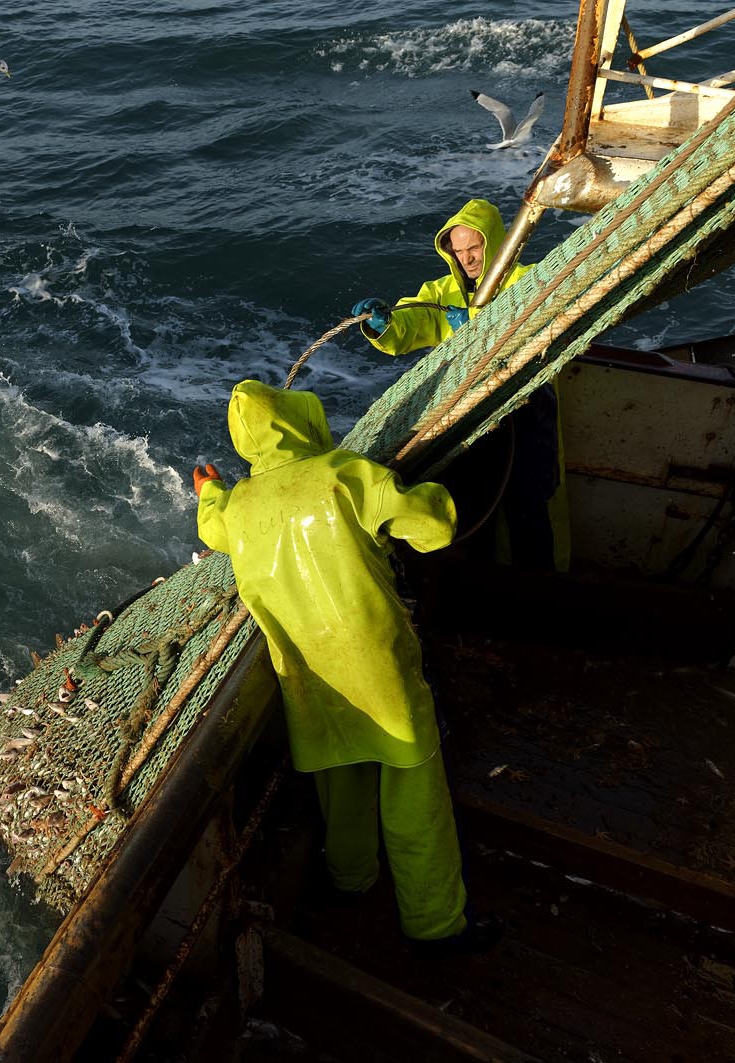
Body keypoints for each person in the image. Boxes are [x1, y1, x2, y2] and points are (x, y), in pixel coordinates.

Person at [194, 379, 497, 953]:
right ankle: (435, 924)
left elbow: (211, 529)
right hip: (379, 669)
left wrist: (210, 489)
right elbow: (433, 529)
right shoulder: (347, 474)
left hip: (311, 680)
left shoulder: (238, 508)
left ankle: (351, 881)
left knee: (343, 781)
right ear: (302, 420)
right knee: (414, 794)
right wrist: (435, 492)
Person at [352, 198, 568, 572]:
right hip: (468, 411)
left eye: (475, 248)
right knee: (473, 505)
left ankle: (538, 591)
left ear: (495, 243)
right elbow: (414, 322)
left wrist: (476, 325)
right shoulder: (440, 293)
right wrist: (384, 325)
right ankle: (480, 594)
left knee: (528, 501)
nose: (467, 258)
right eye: (460, 250)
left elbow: (541, 323)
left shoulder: (528, 279)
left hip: (525, 408)